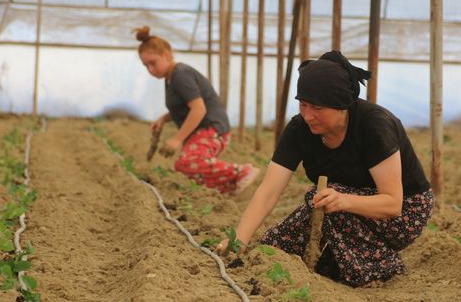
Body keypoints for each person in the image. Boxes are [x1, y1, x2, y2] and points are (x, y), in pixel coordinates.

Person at [217, 50, 434, 286]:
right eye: (303, 105)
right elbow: (268, 191)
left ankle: (380, 268)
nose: (308, 116)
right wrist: (239, 239)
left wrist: (344, 200)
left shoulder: (374, 126)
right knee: (275, 248)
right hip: (340, 203)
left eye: (318, 108)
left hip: (405, 212)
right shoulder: (299, 129)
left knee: (322, 199)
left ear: (342, 105)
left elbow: (392, 203)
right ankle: (336, 263)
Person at [134, 26, 259, 194]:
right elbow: (184, 107)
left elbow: (198, 109)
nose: (150, 69)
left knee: (185, 163)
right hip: (205, 130)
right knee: (187, 167)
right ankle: (229, 187)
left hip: (211, 129)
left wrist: (177, 139)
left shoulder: (180, 75)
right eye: (145, 66)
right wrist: (163, 119)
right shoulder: (170, 78)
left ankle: (243, 171)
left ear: (167, 55)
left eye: (153, 63)